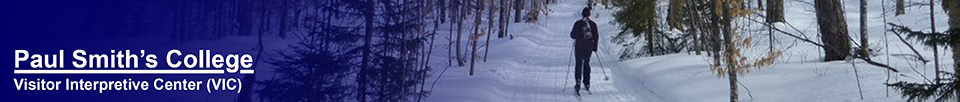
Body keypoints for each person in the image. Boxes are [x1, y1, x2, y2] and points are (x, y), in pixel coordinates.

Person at [570, 7, 598, 94]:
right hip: (588, 47)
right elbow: (596, 36)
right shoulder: (593, 24)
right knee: (586, 63)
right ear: (589, 14)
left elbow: (572, 35)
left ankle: (578, 82)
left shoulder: (578, 23)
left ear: (582, 14)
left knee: (578, 64)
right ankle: (587, 83)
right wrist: (595, 47)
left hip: (579, 46)